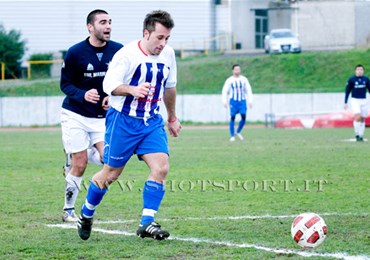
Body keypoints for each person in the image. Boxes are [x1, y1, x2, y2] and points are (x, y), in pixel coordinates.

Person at [77, 10, 181, 241]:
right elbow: (109, 84)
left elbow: (170, 87)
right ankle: (86, 214)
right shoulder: (127, 55)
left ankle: (147, 222)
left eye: (167, 39)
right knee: (111, 173)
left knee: (161, 168)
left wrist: (172, 117)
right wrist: (132, 90)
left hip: (151, 122)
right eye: (159, 38)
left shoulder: (168, 54)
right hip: (122, 121)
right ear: (146, 33)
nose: (163, 44)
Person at [60, 9, 123, 222]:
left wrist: (110, 97)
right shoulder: (75, 52)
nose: (108, 26)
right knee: (80, 163)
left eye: (110, 22)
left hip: (102, 118)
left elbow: (122, 81)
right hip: (75, 114)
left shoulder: (118, 51)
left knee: (110, 161)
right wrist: (83, 94)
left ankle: (81, 150)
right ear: (90, 27)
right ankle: (68, 210)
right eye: (103, 22)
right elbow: (65, 84)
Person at [222, 64, 253, 142]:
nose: (237, 71)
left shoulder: (244, 79)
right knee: (232, 117)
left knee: (243, 116)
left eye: (238, 69)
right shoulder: (229, 80)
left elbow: (248, 90)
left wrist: (250, 101)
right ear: (233, 70)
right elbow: (225, 91)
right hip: (233, 101)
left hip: (242, 101)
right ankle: (232, 136)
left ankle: (238, 131)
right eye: (236, 69)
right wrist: (224, 101)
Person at [344, 64, 370, 142]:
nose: (359, 71)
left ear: (363, 71)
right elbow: (347, 91)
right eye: (358, 70)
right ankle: (357, 134)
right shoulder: (352, 79)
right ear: (355, 71)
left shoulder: (366, 79)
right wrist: (345, 102)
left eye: (361, 70)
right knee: (357, 116)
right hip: (355, 100)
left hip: (364, 100)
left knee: (362, 118)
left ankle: (361, 135)